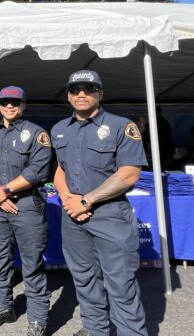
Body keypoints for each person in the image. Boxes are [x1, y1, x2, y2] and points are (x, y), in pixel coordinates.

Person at [51, 70, 148, 336]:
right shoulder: (59, 129)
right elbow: (60, 170)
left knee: (121, 285)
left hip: (110, 214)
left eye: (89, 88)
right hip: (73, 216)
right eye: (75, 89)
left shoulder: (122, 126)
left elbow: (129, 174)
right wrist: (69, 200)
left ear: (100, 93)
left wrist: (86, 200)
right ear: (69, 95)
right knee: (84, 281)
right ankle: (96, 331)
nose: (81, 94)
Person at [0, 87, 51, 336]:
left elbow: (37, 171)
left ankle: (38, 319)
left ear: (23, 104)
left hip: (26, 205)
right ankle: (3, 306)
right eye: (5, 102)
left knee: (31, 263)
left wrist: (5, 190)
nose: (9, 106)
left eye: (15, 102)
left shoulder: (37, 133)